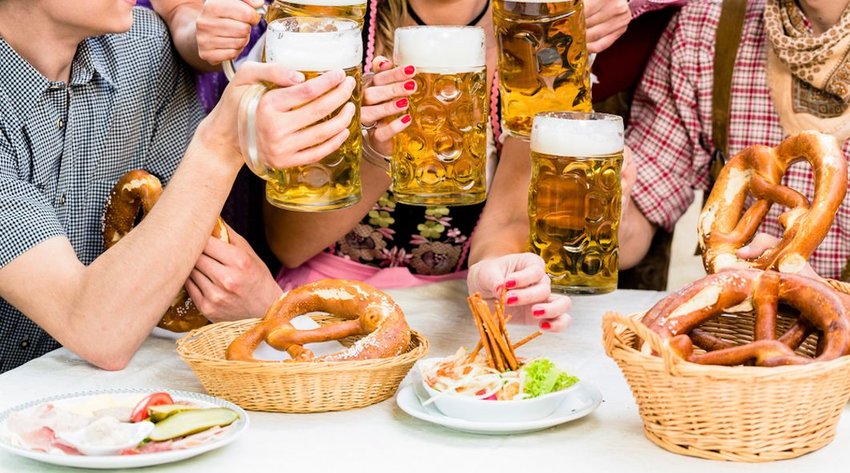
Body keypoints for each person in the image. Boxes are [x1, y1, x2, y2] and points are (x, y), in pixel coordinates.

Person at [147, 0, 631, 332]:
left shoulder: (541, 35)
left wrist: (498, 271)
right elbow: (289, 244)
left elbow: (505, 221)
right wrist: (381, 150)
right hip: (323, 303)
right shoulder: (332, 25)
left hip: (458, 308)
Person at [0, 0, 358, 372]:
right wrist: (224, 144)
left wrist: (266, 303)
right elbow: (99, 334)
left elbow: (190, 245)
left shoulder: (144, 47)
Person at [618, 0, 850, 281]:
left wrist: (819, 295)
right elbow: (631, 238)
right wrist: (610, 206)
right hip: (744, 322)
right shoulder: (707, 29)